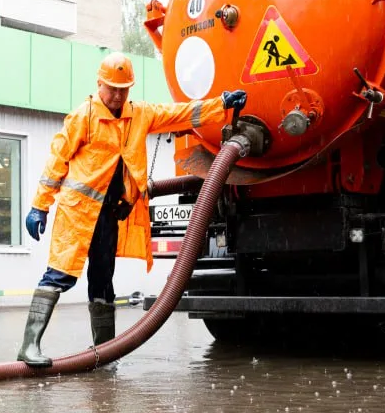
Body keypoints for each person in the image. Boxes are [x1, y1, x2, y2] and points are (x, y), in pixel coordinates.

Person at [17, 52, 247, 367]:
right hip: (78, 214)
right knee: (59, 274)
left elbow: (180, 114)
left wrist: (220, 104)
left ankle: (104, 351)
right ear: (99, 84)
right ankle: (29, 346)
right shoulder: (83, 117)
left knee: (103, 280)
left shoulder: (139, 115)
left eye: (123, 89)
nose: (117, 94)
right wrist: (39, 206)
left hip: (110, 215)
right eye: (112, 87)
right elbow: (56, 161)